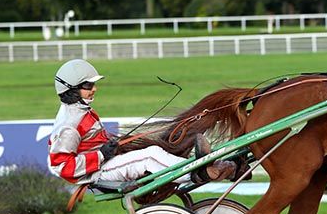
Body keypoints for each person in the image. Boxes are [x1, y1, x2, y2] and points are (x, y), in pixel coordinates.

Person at [47, 59, 235, 187]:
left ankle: (210, 165)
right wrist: (101, 155)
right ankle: (199, 173)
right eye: (88, 86)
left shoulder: (80, 110)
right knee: (149, 157)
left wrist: (108, 149)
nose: (94, 89)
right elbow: (62, 167)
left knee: (156, 147)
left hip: (103, 164)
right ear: (71, 89)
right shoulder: (69, 124)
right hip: (96, 174)